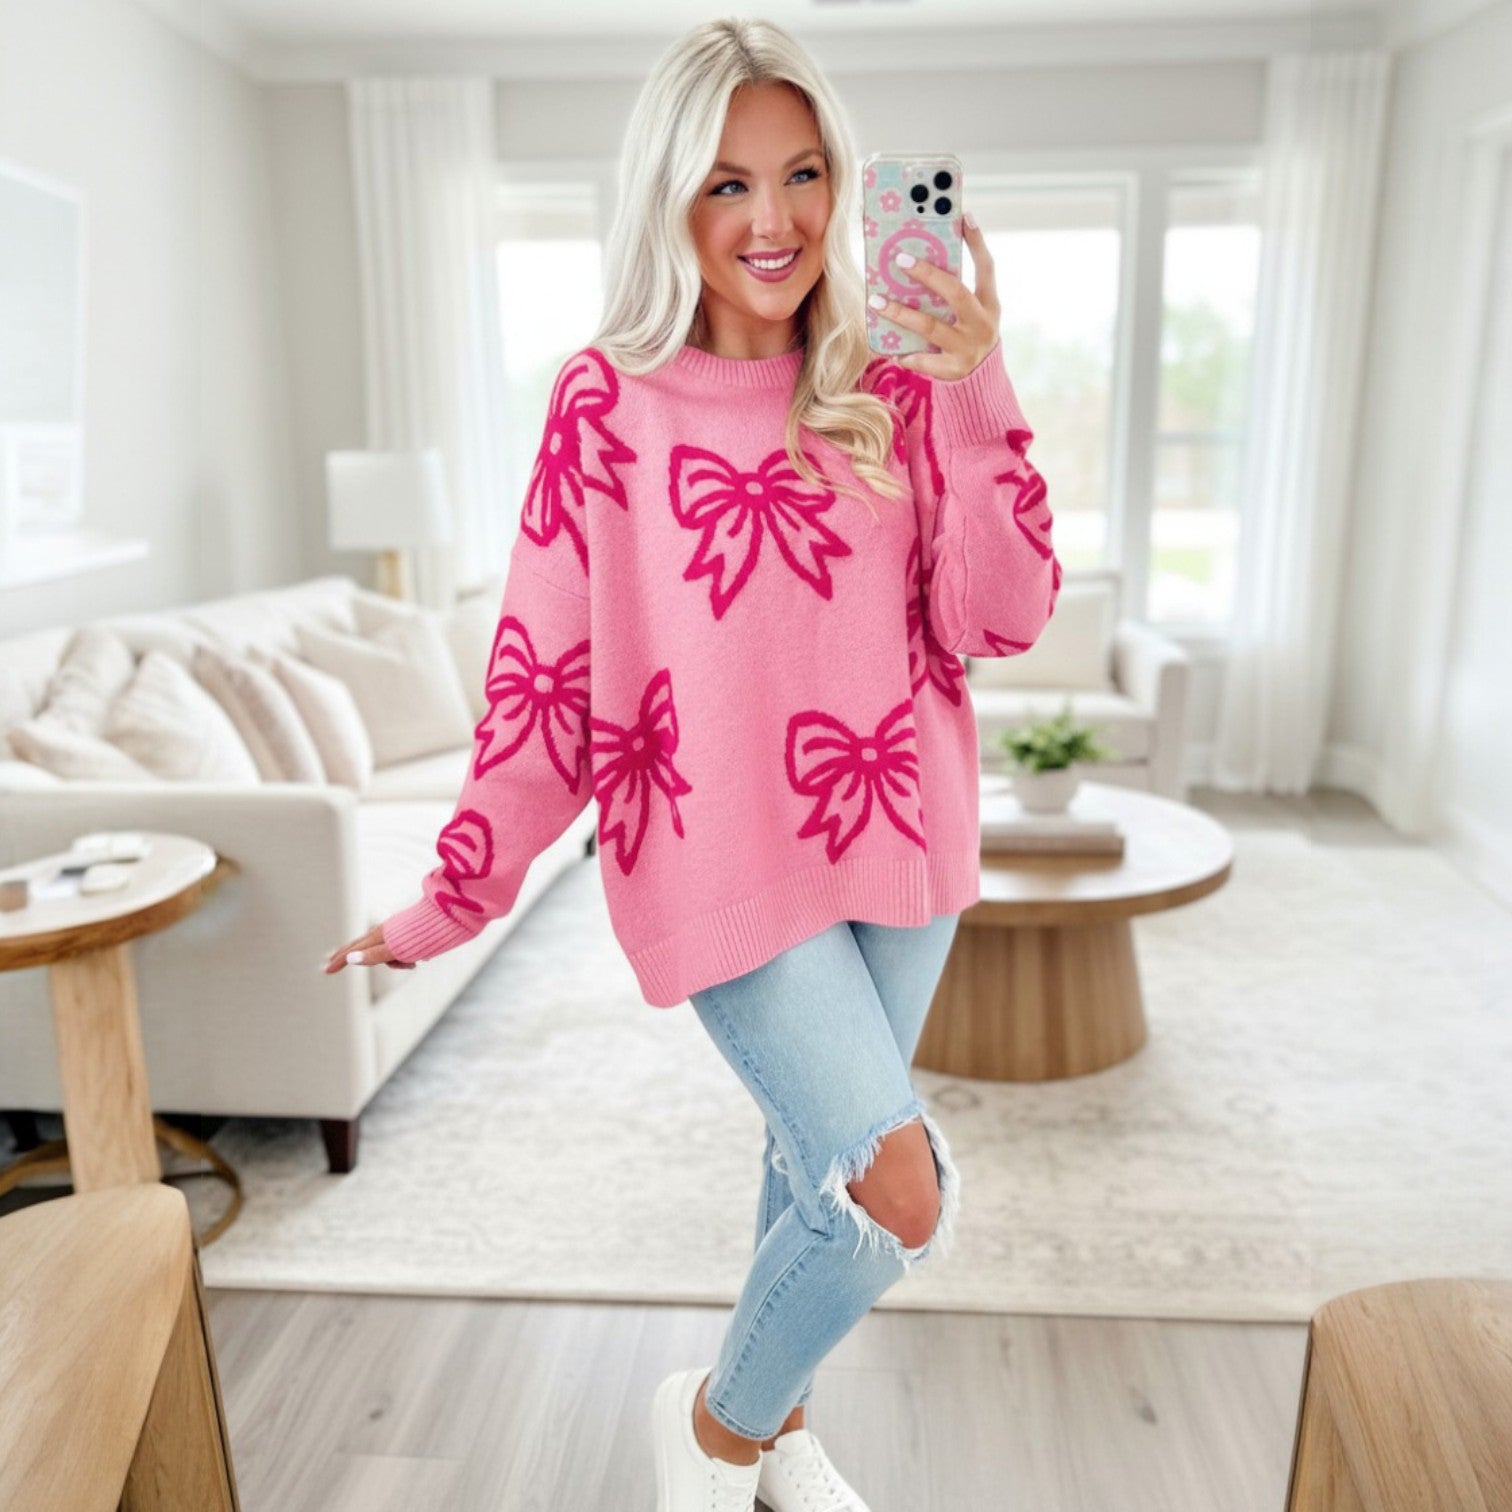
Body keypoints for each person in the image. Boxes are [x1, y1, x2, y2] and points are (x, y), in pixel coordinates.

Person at [325, 16, 1059, 1512]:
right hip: (717, 849)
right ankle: (718, 1436)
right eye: (728, 184)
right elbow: (546, 674)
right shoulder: (604, 398)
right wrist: (452, 897)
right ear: (670, 196)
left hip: (902, 844)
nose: (774, 221)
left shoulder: (904, 379)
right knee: (890, 1189)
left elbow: (1005, 614)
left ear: (846, 185)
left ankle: (778, 1444)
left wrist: (980, 390)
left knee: (809, 1174)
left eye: (802, 176)